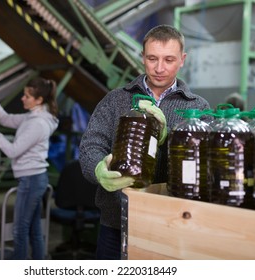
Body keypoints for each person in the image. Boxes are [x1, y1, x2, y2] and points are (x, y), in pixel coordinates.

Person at [78, 24, 212, 260]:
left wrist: (167, 136)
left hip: (172, 221)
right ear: (142, 58)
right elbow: (91, 145)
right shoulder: (116, 100)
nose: (160, 68)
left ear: (183, 59)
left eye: (169, 59)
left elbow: (204, 163)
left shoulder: (197, 107)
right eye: (152, 59)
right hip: (116, 222)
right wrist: (98, 169)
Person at [0, 77, 59, 260]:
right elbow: (6, 119)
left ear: (39, 100)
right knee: (33, 229)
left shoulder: (37, 124)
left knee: (20, 230)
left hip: (31, 179)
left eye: (27, 96)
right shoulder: (33, 116)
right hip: (35, 178)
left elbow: (12, 151)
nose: (22, 98)